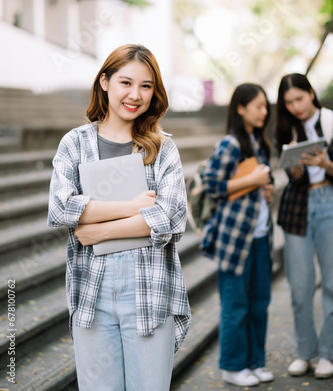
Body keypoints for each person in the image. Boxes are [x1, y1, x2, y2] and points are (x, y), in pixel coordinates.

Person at [47, 44, 191, 391]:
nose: (135, 95)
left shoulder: (162, 148)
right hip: (92, 291)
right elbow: (61, 209)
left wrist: (95, 230)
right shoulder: (75, 144)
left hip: (149, 291)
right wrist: (133, 205)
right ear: (105, 81)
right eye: (126, 82)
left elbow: (167, 220)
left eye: (146, 86)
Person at [201, 83, 274, 387]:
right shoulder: (230, 143)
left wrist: (263, 189)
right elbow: (213, 186)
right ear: (240, 108)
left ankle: (254, 362)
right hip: (235, 239)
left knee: (259, 301)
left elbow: (250, 187)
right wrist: (255, 179)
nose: (264, 111)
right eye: (258, 106)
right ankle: (232, 367)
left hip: (259, 235)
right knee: (236, 304)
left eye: (265, 106)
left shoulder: (257, 141)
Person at [276, 73, 333, 379]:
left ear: (311, 93)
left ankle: (328, 353)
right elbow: (292, 175)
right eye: (288, 102)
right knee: (300, 287)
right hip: (298, 207)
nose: (295, 106)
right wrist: (295, 163)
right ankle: (303, 352)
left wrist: (325, 164)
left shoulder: (331, 121)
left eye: (299, 98)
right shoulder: (286, 127)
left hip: (329, 202)